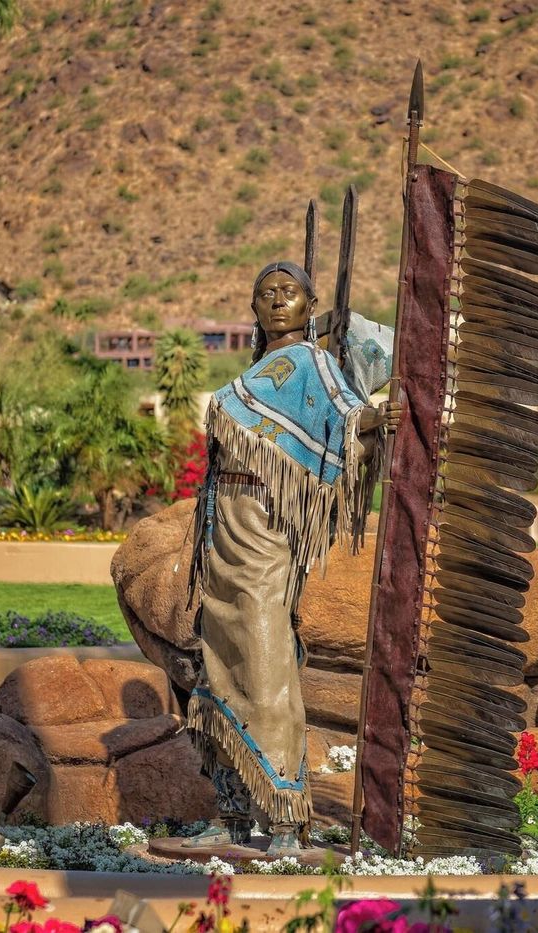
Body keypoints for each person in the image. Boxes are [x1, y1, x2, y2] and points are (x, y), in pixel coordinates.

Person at [182, 261, 399, 855]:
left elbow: (348, 416)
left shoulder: (314, 365)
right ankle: (231, 811)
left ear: (309, 305)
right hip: (222, 524)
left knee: (267, 654)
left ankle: (282, 813)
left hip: (265, 529)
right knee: (220, 659)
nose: (278, 301)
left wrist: (380, 418)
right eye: (266, 293)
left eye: (290, 292)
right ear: (253, 308)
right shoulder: (259, 370)